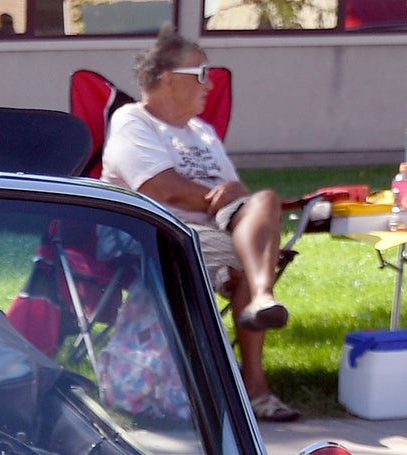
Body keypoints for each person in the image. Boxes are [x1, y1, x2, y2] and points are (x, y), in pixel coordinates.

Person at [102, 31, 298, 422]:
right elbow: (161, 188)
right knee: (255, 252)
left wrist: (236, 196)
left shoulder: (202, 132)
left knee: (266, 201)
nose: (210, 84)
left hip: (216, 229)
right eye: (202, 72)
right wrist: (219, 197)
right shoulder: (132, 121)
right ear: (169, 77)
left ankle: (261, 297)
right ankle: (255, 388)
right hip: (155, 230)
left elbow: (235, 193)